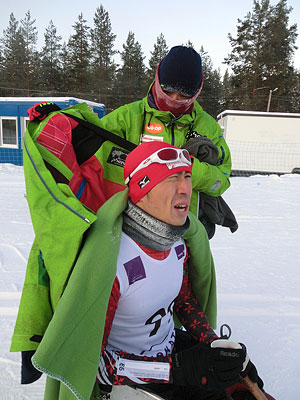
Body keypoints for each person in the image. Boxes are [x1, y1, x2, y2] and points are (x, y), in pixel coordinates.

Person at [19, 141, 264, 400]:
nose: (185, 189)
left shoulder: (179, 244)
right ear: (141, 189)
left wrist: (213, 342)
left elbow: (182, 299)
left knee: (237, 385)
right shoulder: (112, 262)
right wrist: (178, 371)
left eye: (187, 176)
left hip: (169, 353)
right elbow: (96, 365)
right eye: (171, 178)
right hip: (132, 378)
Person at [26, 45, 237, 239]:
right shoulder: (128, 117)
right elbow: (89, 137)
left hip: (184, 232)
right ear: (157, 79)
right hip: (131, 230)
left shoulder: (207, 127)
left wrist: (184, 167)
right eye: (167, 90)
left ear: (196, 92)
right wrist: (59, 119)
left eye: (183, 95)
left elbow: (222, 179)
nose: (173, 99)